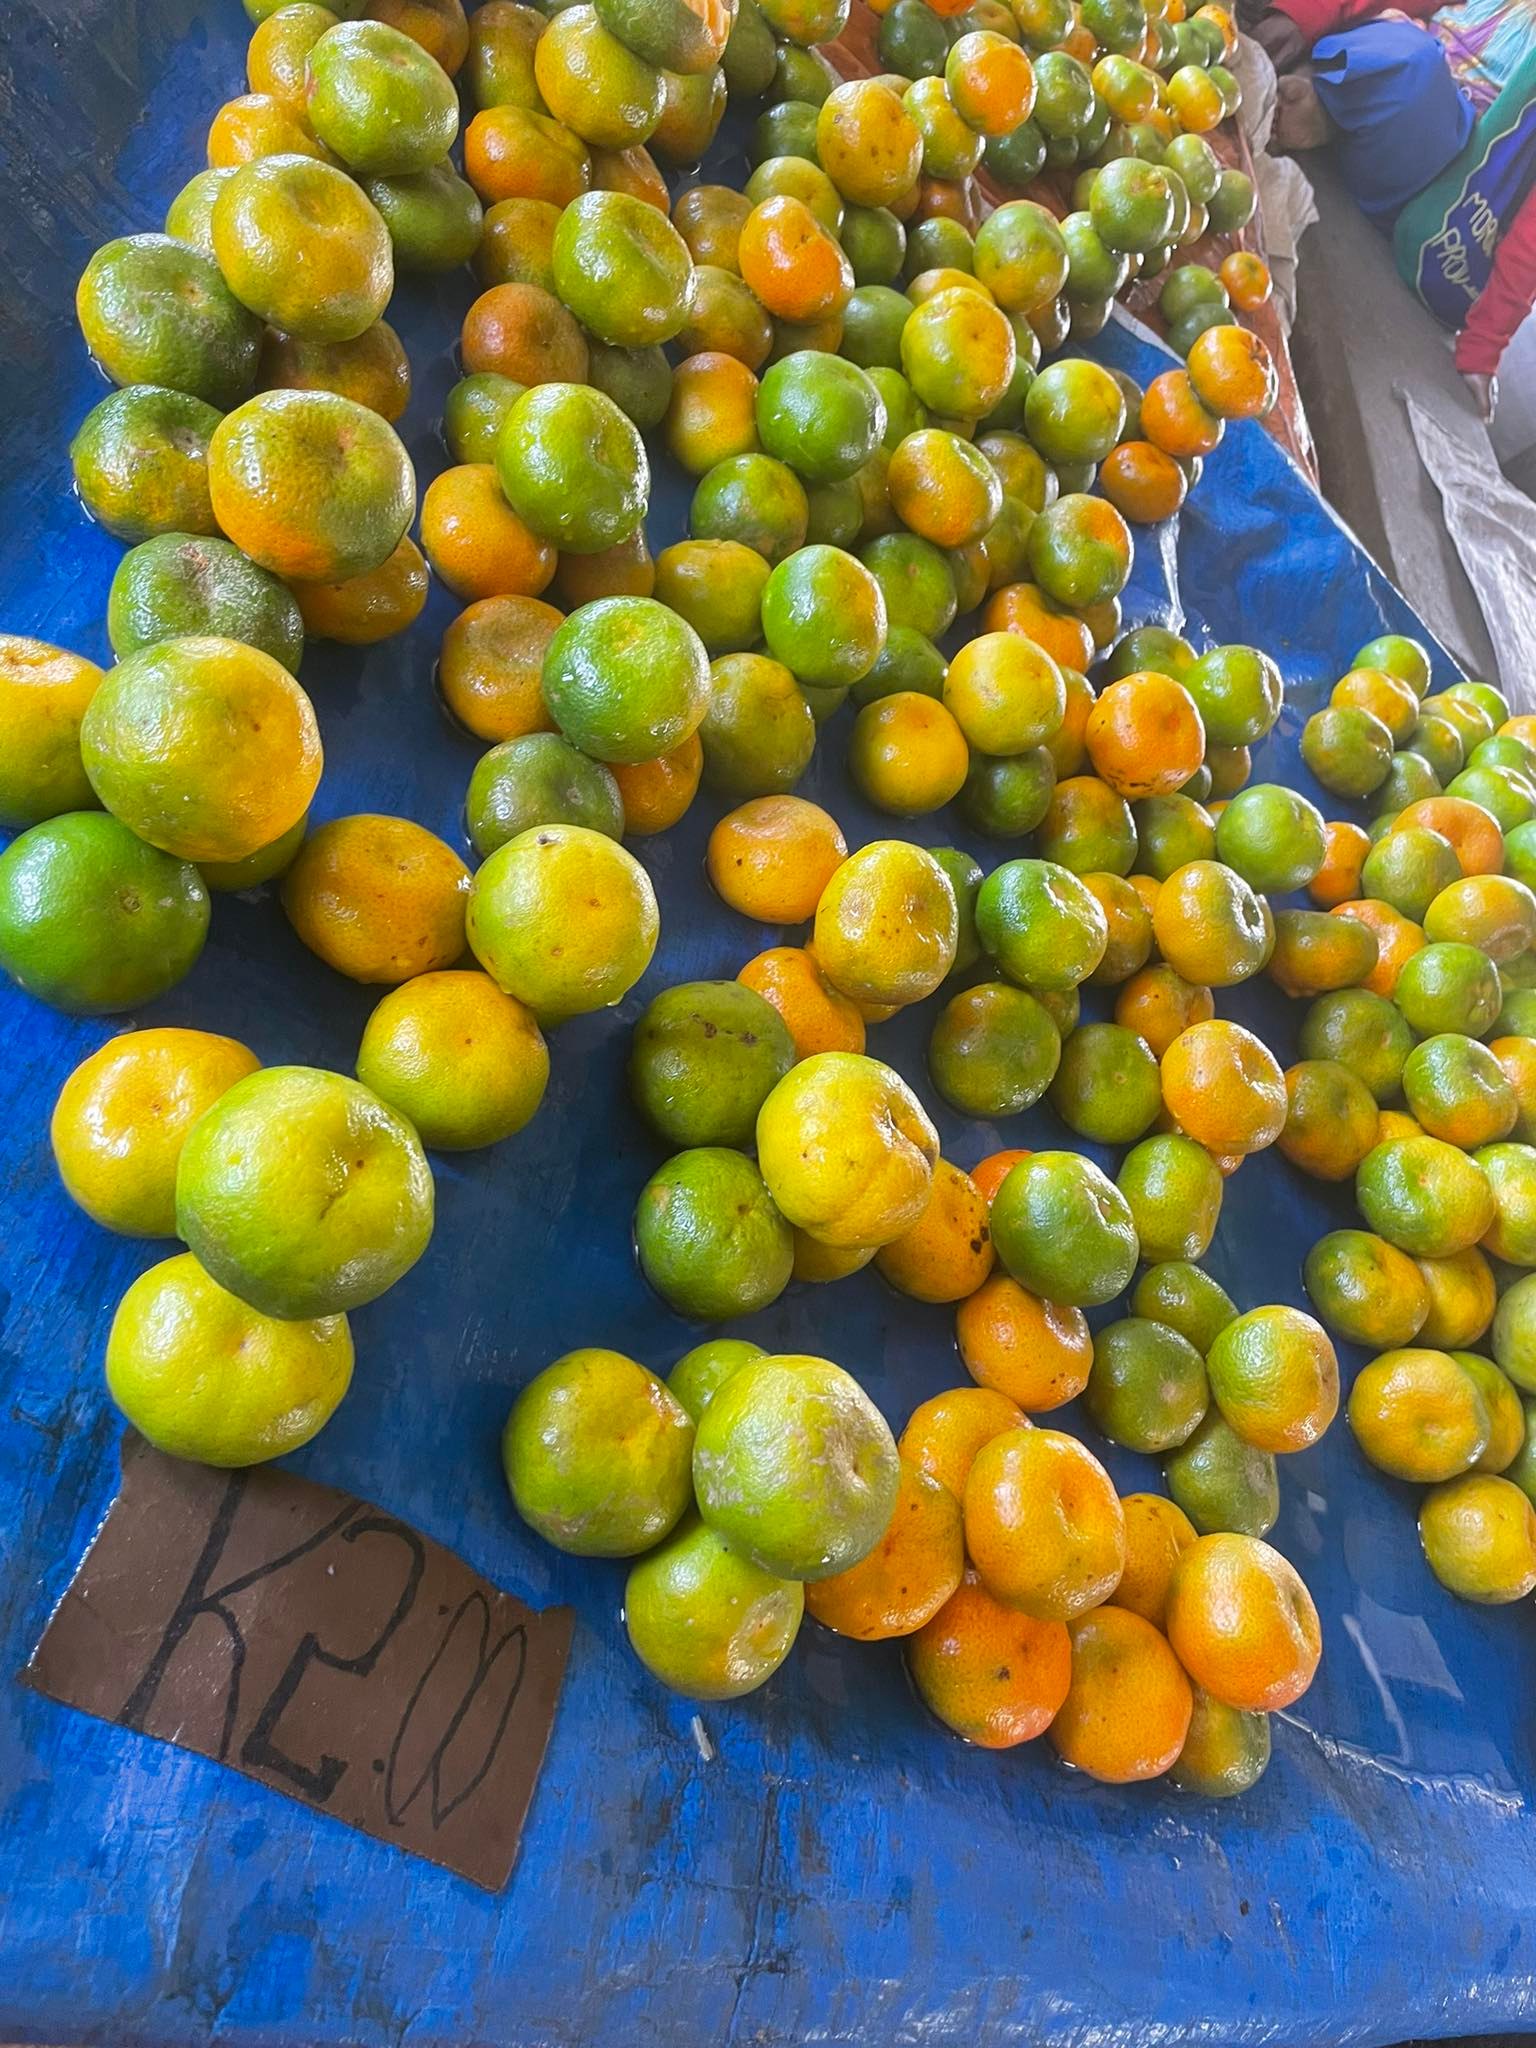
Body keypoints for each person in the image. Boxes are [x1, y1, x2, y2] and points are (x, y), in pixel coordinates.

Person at [1265, 12, 1536, 415]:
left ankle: (1323, 106)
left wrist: (1483, 349)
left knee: (1412, 67)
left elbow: (1530, 241)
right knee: (1398, 45)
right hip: (1392, 64)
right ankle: (1320, 92)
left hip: (1443, 171)